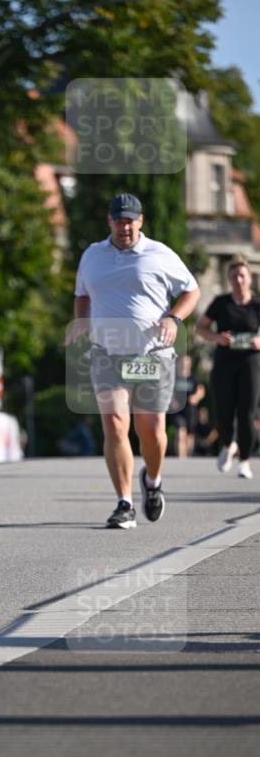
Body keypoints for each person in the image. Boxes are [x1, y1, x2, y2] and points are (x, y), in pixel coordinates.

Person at [70, 193, 200, 528]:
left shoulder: (160, 254)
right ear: (109, 221)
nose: (124, 227)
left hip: (152, 354)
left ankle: (152, 481)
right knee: (115, 424)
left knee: (151, 430)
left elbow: (192, 290)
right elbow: (82, 294)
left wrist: (173, 318)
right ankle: (124, 503)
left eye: (130, 221)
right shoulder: (92, 255)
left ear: (140, 222)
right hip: (107, 354)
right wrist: (81, 323)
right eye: (119, 220)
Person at [195, 256, 260, 479]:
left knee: (247, 413)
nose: (238, 280)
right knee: (224, 411)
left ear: (249, 278)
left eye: (242, 276)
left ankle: (244, 461)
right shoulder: (221, 303)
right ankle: (227, 444)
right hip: (225, 362)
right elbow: (200, 328)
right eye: (234, 276)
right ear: (229, 280)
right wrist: (217, 338)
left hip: (251, 363)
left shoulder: (257, 304)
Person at [167, 354, 206, 458]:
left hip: (190, 410)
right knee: (180, 432)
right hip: (177, 410)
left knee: (189, 435)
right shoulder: (174, 377)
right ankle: (181, 457)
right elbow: (167, 391)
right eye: (182, 362)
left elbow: (201, 390)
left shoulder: (193, 377)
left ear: (190, 364)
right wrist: (171, 401)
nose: (184, 364)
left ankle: (188, 458)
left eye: (186, 362)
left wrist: (196, 397)